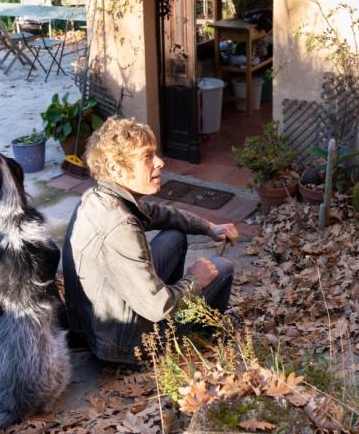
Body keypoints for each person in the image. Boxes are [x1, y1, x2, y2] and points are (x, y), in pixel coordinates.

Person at [62, 117, 237, 365]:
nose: (160, 162)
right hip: (121, 345)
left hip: (95, 325)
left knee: (174, 236)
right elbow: (158, 306)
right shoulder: (119, 226)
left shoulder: (98, 196)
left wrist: (209, 227)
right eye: (148, 156)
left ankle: (179, 318)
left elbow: (159, 214)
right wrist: (195, 280)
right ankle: (198, 340)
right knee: (221, 268)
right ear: (115, 168)